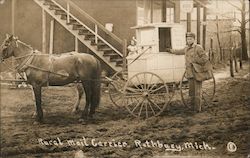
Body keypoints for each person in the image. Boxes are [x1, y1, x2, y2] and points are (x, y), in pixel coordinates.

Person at [168, 32, 210, 112]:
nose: (189, 40)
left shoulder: (198, 47)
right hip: (190, 73)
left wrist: (195, 61)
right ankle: (192, 107)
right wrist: (170, 50)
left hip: (197, 72)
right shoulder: (186, 48)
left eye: (190, 39)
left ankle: (197, 109)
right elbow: (179, 51)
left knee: (197, 91)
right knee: (191, 91)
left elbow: (205, 58)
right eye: (187, 39)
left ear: (194, 39)